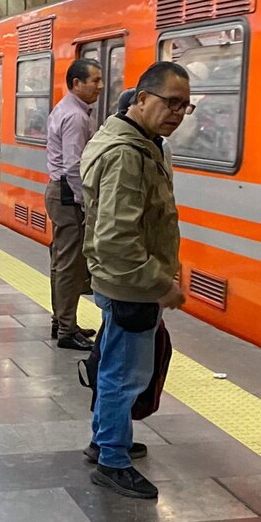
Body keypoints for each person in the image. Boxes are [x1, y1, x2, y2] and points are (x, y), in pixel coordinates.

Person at [81, 62, 190, 499]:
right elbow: (117, 239)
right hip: (130, 284)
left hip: (122, 281)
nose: (178, 113)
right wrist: (161, 285)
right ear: (141, 99)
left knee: (116, 366)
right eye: (171, 102)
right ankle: (112, 460)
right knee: (124, 375)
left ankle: (106, 438)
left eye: (186, 106)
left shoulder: (139, 142)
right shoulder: (128, 154)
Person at [46, 57, 103, 351]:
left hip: (60, 191)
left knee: (61, 260)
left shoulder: (66, 108)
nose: (100, 86)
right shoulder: (77, 117)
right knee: (70, 264)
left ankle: (62, 320)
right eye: (95, 80)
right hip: (68, 195)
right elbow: (74, 166)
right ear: (76, 83)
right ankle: (67, 330)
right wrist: (86, 204)